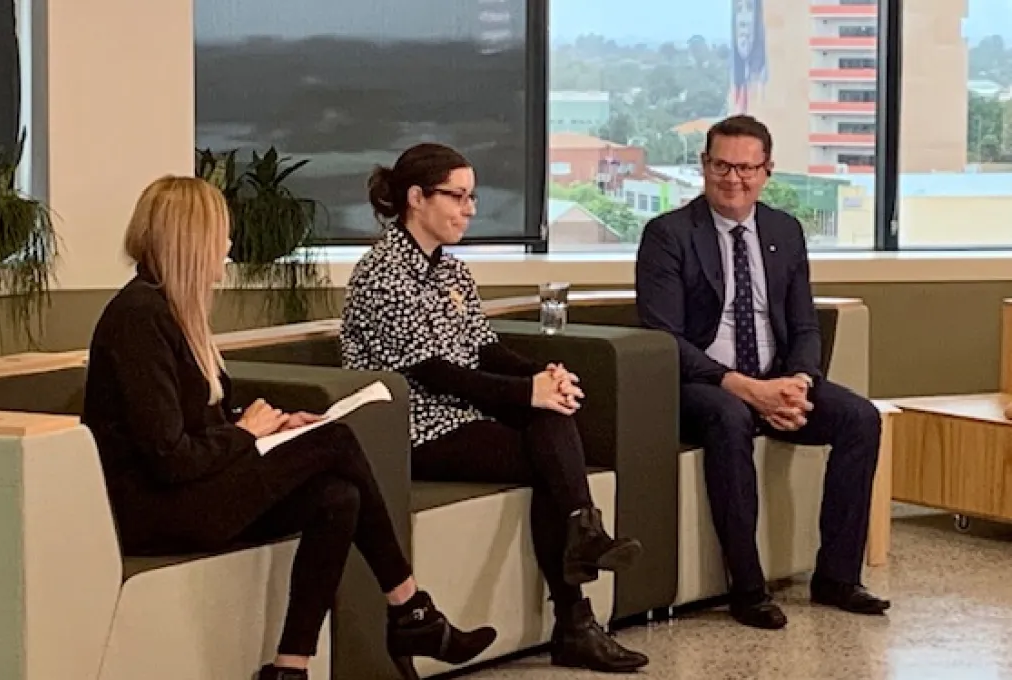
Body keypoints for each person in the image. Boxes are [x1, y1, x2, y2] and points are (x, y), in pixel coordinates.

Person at [81, 176, 496, 680]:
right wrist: (246, 434)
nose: (229, 247)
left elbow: (192, 424)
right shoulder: (138, 318)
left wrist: (265, 425)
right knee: (336, 441)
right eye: (221, 235)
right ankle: (410, 609)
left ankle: (291, 667)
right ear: (190, 241)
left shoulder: (171, 311)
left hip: (190, 490)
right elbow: (169, 457)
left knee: (337, 496)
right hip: (155, 510)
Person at [339, 143, 650, 674]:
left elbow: (484, 350)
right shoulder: (382, 273)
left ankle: (582, 545)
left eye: (472, 197)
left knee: (551, 419)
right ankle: (577, 603)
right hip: (412, 427)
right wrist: (528, 393)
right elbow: (431, 371)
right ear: (417, 198)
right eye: (457, 197)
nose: (470, 209)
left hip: (461, 415)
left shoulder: (453, 272)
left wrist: (541, 373)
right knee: (549, 450)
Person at [634, 115, 890, 630]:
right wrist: (746, 388)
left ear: (767, 171)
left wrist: (798, 383)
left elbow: (805, 324)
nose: (734, 179)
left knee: (860, 418)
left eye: (747, 168)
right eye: (723, 166)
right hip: (703, 385)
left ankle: (837, 577)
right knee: (729, 417)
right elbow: (665, 340)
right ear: (704, 166)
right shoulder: (669, 235)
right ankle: (747, 589)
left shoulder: (784, 230)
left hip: (775, 378)